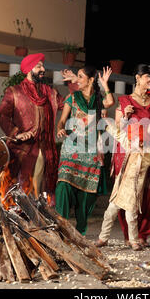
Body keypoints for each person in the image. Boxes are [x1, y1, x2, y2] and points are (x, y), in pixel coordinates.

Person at [96, 64, 150, 251]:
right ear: (137, 78)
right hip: (125, 162)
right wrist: (124, 119)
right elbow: (117, 128)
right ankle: (129, 238)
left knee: (140, 201)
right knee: (120, 207)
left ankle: (138, 237)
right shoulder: (125, 101)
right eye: (147, 77)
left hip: (144, 161)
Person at [0, 53, 70, 202]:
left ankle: (37, 219)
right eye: (38, 66)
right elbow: (3, 116)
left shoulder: (50, 93)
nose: (43, 69)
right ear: (29, 69)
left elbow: (70, 105)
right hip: (23, 151)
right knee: (18, 191)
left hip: (46, 149)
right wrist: (16, 133)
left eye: (43, 65)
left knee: (41, 192)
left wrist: (74, 84)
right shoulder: (14, 91)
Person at [55, 66, 114, 235]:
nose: (77, 80)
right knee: (64, 185)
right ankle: (61, 226)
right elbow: (62, 121)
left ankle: (80, 230)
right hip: (71, 149)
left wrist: (104, 84)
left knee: (86, 195)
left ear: (89, 80)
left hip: (91, 153)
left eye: (80, 77)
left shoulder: (97, 100)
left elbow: (110, 102)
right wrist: (61, 129)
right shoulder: (72, 98)